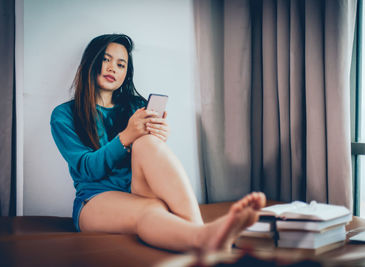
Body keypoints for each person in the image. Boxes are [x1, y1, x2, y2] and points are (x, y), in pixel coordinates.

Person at [50, 33, 266, 252]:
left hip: (138, 189)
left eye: (121, 64)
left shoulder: (137, 106)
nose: (112, 68)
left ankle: (203, 232)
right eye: (106, 59)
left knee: (147, 145)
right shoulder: (64, 115)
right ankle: (203, 237)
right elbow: (88, 169)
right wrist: (127, 136)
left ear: (127, 73)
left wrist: (158, 138)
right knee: (153, 208)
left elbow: (148, 158)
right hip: (95, 199)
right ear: (91, 62)